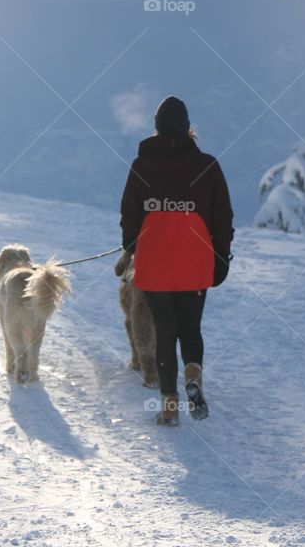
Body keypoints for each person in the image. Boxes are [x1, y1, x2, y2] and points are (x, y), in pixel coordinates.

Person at [120, 96, 234, 426]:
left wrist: (130, 245)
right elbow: (222, 217)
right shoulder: (208, 167)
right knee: (191, 328)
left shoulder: (141, 167)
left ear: (156, 128)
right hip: (195, 262)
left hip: (155, 262)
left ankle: (170, 406)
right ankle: (194, 373)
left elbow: (129, 213)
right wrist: (221, 257)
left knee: (164, 332)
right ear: (188, 130)